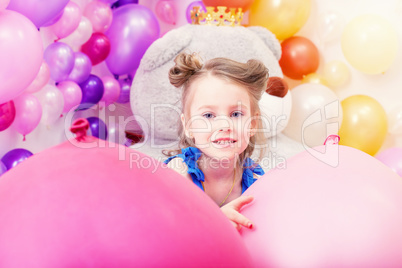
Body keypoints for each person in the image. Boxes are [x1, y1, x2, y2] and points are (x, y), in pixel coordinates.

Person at [163, 52, 269, 230]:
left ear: (252, 124)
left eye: (236, 114)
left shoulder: (257, 181)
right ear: (188, 125)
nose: (224, 124)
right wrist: (218, 222)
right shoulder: (179, 175)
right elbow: (168, 231)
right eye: (209, 115)